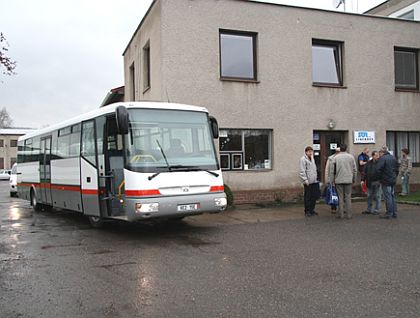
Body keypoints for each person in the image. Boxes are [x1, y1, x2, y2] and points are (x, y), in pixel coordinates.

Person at [329, 144, 357, 219]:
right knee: (348, 197)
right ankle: (349, 215)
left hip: (338, 180)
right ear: (346, 149)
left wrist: (331, 181)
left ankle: (340, 214)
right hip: (348, 179)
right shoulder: (351, 157)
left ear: (340, 149)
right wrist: (354, 179)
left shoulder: (335, 158)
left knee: (340, 197)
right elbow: (354, 170)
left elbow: (332, 171)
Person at [376, 146, 398, 219]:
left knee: (387, 196)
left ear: (382, 152)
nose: (379, 155)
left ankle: (389, 213)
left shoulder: (382, 158)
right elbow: (397, 168)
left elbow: (378, 169)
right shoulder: (393, 157)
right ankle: (394, 212)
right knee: (392, 196)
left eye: (379, 153)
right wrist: (394, 177)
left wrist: (379, 178)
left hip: (385, 180)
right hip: (392, 179)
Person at [299, 146, 319, 217]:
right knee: (307, 197)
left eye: (311, 151)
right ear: (306, 152)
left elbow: (314, 169)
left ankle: (312, 210)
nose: (310, 153)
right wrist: (305, 180)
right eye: (309, 151)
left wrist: (316, 177)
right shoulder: (303, 159)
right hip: (308, 181)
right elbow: (302, 170)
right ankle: (307, 211)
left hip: (314, 180)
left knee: (313, 196)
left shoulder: (312, 158)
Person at [361, 150, 381, 215]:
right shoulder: (368, 163)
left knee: (377, 196)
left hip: (377, 181)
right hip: (370, 182)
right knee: (369, 196)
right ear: (372, 156)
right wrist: (362, 180)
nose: (377, 157)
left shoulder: (380, 163)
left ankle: (377, 209)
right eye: (376, 155)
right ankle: (369, 209)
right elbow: (364, 172)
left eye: (378, 155)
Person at [324, 146, 340, 213]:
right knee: (333, 194)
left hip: (340, 179)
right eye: (337, 151)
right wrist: (327, 180)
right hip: (333, 179)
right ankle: (333, 208)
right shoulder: (330, 159)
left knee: (341, 194)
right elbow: (327, 169)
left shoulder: (343, 158)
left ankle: (341, 207)